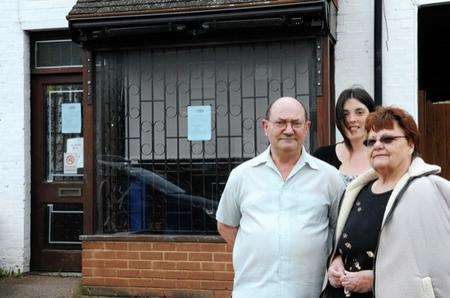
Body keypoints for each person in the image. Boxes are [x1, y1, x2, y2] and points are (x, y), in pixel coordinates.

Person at [216, 97, 346, 298]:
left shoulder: (330, 177)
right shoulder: (242, 176)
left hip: (309, 292)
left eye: (296, 123)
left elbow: (340, 230)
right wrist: (256, 250)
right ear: (265, 127)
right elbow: (226, 225)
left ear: (306, 127)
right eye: (281, 122)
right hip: (252, 292)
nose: (288, 130)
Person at [324, 106, 450, 297]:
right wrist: (336, 261)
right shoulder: (356, 191)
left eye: (388, 139)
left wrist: (376, 279)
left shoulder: (430, 190)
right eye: (371, 141)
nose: (377, 145)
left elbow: (438, 262)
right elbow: (347, 244)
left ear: (411, 144)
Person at [314, 87, 376, 185]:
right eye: (345, 114)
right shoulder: (322, 157)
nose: (351, 119)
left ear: (372, 115)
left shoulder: (381, 154)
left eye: (359, 112)